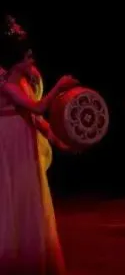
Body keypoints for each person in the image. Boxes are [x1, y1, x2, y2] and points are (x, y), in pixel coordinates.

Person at [0, 15, 79, 275]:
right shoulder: (5, 82)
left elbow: (37, 119)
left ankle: (30, 257)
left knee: (29, 194)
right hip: (8, 142)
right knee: (11, 195)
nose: (31, 59)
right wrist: (58, 87)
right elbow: (36, 107)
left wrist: (58, 141)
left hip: (25, 140)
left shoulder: (26, 79)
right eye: (27, 56)